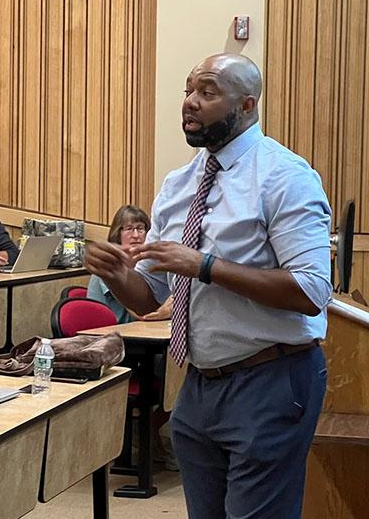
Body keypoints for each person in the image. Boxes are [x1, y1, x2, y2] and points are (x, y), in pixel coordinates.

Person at [84, 53, 331, 518]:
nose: (190, 103)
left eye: (208, 92)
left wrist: (206, 266)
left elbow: (312, 290)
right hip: (199, 384)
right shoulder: (179, 184)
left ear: (247, 105)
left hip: (272, 378)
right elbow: (150, 295)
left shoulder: (284, 176)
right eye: (188, 90)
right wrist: (117, 277)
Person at [86, 205, 172, 323]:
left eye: (140, 228)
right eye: (129, 229)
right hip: (108, 333)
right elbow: (142, 313)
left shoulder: (150, 264)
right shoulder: (109, 262)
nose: (136, 235)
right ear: (118, 233)